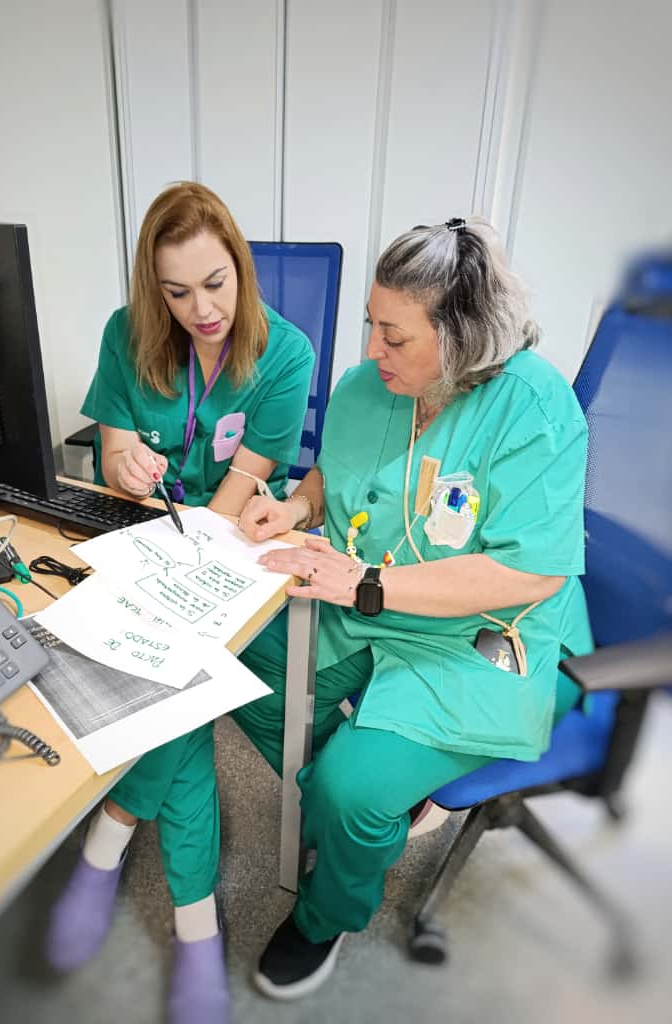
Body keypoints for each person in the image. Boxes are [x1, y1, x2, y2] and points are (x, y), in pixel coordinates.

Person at [234, 216, 593, 1000]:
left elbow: (528, 573)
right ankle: (369, 809)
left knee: (350, 792)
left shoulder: (534, 408)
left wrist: (366, 584)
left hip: (484, 634)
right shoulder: (370, 388)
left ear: (461, 338)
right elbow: (337, 473)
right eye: (371, 325)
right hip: (367, 596)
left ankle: (327, 911)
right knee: (242, 675)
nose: (372, 350)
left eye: (393, 336)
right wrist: (294, 508)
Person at [44, 182, 314, 1023]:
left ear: (241, 268)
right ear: (152, 290)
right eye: (176, 291)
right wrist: (125, 465)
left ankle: (112, 834)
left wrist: (188, 565)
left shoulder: (286, 353)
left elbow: (236, 497)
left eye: (215, 283)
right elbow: (114, 453)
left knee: (178, 690)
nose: (201, 310)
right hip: (141, 537)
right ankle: (195, 927)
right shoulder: (126, 335)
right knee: (186, 696)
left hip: (224, 547)